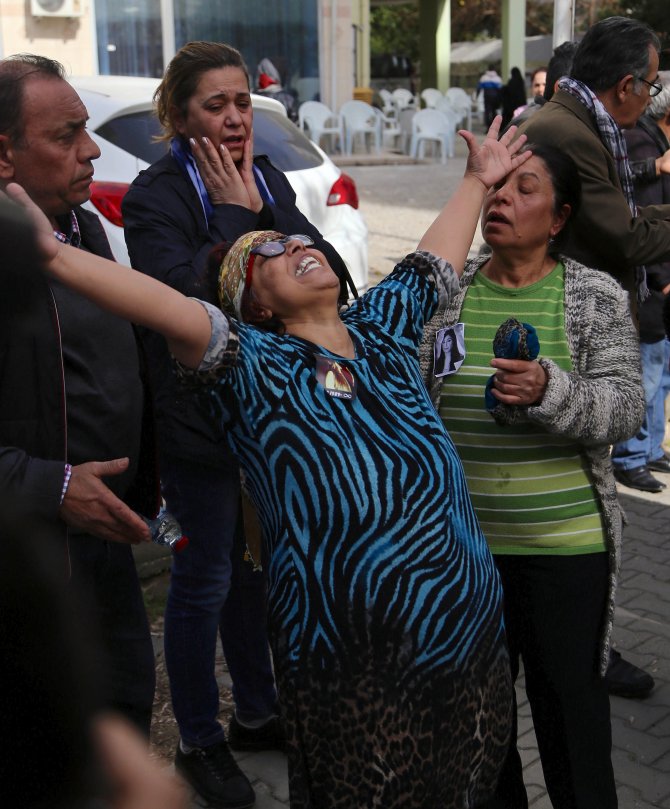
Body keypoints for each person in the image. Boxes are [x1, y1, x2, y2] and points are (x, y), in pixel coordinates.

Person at [8, 116, 532, 809]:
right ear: (254, 302)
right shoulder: (254, 365)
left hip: (470, 638)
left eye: (295, 238)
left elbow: (433, 260)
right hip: (354, 667)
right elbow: (170, 309)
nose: (294, 247)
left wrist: (474, 180)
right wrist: (50, 256)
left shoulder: (384, 330)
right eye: (270, 255)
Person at [122, 40, 353, 808]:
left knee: (256, 575)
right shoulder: (157, 196)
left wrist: (264, 209)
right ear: (179, 115)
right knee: (203, 579)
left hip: (271, 418)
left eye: (240, 102)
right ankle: (198, 736)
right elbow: (183, 297)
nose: (232, 118)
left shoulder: (270, 178)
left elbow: (325, 268)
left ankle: (256, 712)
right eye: (214, 105)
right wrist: (233, 217)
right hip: (198, 424)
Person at [420, 143, 645, 809]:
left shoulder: (592, 294)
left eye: (524, 189)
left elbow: (626, 407)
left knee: (573, 728)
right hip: (463, 558)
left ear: (559, 217)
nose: (501, 200)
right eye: (496, 187)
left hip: (565, 552)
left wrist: (552, 388)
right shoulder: (447, 295)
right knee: (479, 732)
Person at [0, 54, 157, 736]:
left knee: (124, 709)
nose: (92, 151)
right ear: (3, 154)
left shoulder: (82, 226)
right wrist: (55, 487)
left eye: (85, 130)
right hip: (27, 567)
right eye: (66, 136)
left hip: (105, 537)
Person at [517, 13, 667, 699]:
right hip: (567, 331)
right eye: (654, 83)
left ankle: (582, 644)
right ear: (628, 85)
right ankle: (585, 651)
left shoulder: (572, 121)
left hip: (569, 324)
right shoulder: (566, 130)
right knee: (590, 498)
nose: (655, 96)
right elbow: (625, 235)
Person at [611, 72, 670, 494]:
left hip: (657, 283)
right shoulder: (644, 143)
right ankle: (630, 457)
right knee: (646, 371)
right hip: (651, 284)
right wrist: (663, 280)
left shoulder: (656, 143)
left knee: (659, 370)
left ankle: (648, 448)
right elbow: (642, 224)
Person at [477, 63, 503, 128]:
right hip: (495, 97)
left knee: (487, 112)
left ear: (488, 69)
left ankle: (488, 127)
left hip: (487, 97)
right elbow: (500, 90)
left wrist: (477, 96)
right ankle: (494, 126)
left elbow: (479, 88)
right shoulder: (498, 78)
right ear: (494, 69)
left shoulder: (483, 78)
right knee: (494, 112)